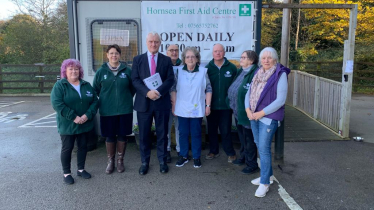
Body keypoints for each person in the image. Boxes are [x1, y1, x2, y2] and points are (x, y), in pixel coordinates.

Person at [245, 47, 290, 197]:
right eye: (263, 58)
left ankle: (264, 183)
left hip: (267, 117)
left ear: (275, 59)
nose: (266, 60)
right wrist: (248, 110)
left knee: (263, 149)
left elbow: (280, 100)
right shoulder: (258, 72)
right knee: (260, 146)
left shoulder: (280, 74)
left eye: (269, 58)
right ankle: (268, 176)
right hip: (253, 115)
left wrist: (260, 113)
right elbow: (249, 92)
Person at [131, 32, 175, 175]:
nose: (153, 44)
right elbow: (135, 80)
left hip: (161, 102)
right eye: (151, 41)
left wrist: (158, 92)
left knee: (162, 133)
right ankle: (145, 162)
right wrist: (147, 92)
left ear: (160, 43)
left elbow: (170, 80)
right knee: (144, 134)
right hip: (144, 103)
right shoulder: (138, 60)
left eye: (156, 41)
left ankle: (162, 161)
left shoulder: (166, 60)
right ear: (146, 42)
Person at [51, 59, 98, 184]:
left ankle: (81, 169)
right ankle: (66, 173)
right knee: (68, 148)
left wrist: (87, 115)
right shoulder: (60, 86)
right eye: (70, 69)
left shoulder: (86, 85)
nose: (73, 71)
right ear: (65, 71)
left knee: (83, 146)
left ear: (80, 71)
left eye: (76, 69)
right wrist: (73, 117)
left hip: (84, 123)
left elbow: (95, 101)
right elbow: (57, 104)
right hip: (68, 125)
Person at [93, 44, 135, 174]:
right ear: (107, 55)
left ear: (120, 55)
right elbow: (96, 89)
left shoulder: (127, 71)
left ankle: (120, 161)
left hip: (124, 109)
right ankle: (111, 161)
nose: (114, 55)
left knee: (122, 135)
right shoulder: (101, 72)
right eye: (111, 53)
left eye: (116, 53)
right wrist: (107, 99)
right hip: (107, 110)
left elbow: (132, 89)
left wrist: (125, 99)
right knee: (110, 136)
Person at [171, 47, 212, 168]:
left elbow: (208, 89)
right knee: (182, 133)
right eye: (187, 57)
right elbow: (173, 89)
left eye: (193, 56)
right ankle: (183, 156)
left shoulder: (203, 71)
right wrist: (174, 105)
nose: (190, 59)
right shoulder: (178, 71)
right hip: (182, 107)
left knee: (196, 133)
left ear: (197, 58)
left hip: (197, 107)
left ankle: (196, 157)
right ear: (184, 58)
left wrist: (208, 105)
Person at [227, 50, 260, 174]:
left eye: (244, 57)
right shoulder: (241, 70)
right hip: (238, 110)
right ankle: (243, 157)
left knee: (249, 139)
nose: (241, 59)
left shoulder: (255, 72)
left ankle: (252, 164)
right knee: (242, 136)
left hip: (248, 113)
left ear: (251, 60)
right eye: (241, 57)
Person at [205, 43, 237, 163]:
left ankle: (230, 152)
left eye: (220, 51)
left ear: (224, 52)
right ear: (212, 53)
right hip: (211, 106)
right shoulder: (208, 68)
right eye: (215, 51)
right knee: (212, 130)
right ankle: (214, 151)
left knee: (226, 130)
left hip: (226, 106)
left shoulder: (232, 68)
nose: (218, 53)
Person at [166, 44, 182, 163]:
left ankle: (180, 150)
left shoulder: (183, 65)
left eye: (176, 50)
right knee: (165, 128)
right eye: (171, 50)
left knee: (179, 128)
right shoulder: (163, 64)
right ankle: (167, 151)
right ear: (167, 52)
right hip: (165, 102)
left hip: (181, 102)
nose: (174, 52)